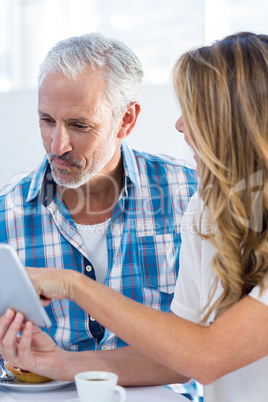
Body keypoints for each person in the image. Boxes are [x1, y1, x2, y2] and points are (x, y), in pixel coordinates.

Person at [1, 31, 267, 402]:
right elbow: (187, 344)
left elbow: (203, 355)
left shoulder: (192, 195)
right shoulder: (207, 208)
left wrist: (74, 285)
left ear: (126, 120)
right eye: (46, 120)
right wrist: (58, 363)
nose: (57, 145)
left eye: (80, 125)